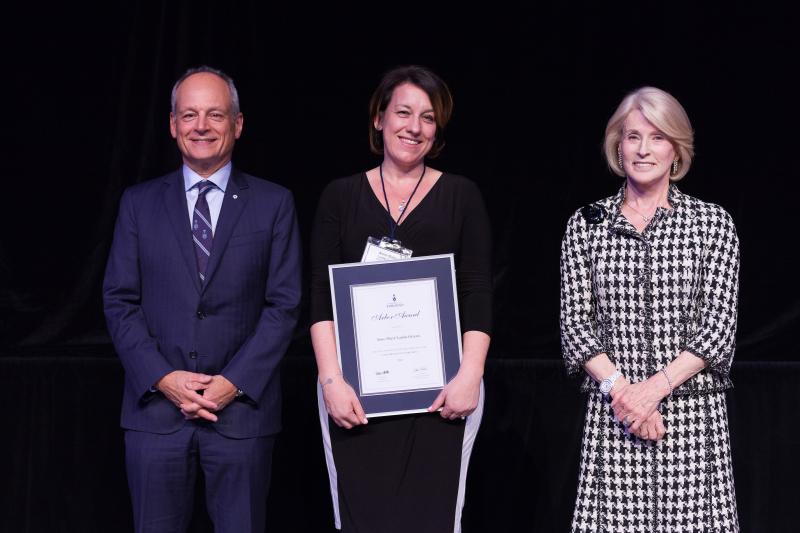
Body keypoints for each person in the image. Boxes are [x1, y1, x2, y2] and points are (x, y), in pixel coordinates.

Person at [103, 66, 301, 533]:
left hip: (241, 417)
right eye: (189, 114)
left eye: (215, 114)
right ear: (172, 125)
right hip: (156, 414)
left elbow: (284, 305)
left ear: (237, 124)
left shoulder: (274, 204)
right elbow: (119, 301)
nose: (201, 126)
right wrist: (164, 378)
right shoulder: (138, 203)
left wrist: (232, 382)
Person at [309, 65, 492, 533]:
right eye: (404, 112)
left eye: (428, 118)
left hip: (443, 395)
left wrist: (470, 375)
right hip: (355, 395)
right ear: (379, 118)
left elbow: (477, 292)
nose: (414, 127)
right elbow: (321, 300)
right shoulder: (339, 196)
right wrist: (331, 382)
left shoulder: (461, 195)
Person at [560, 86, 740, 531]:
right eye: (633, 136)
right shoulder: (587, 225)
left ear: (677, 149)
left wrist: (652, 390)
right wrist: (626, 395)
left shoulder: (712, 224)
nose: (643, 149)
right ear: (617, 146)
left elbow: (717, 328)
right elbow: (576, 327)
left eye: (657, 137)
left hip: (690, 419)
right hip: (614, 417)